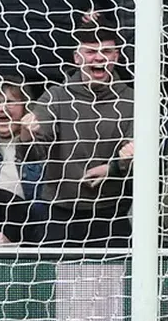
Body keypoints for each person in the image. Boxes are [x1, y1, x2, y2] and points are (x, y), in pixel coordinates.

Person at [20, 27, 135, 247]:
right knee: (65, 282)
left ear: (117, 56)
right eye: (91, 51)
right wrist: (26, 133)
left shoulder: (133, 99)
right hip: (59, 216)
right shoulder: (56, 96)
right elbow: (32, 155)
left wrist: (113, 168)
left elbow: (142, 154)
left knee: (111, 282)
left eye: (107, 51)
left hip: (113, 215)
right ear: (77, 57)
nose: (99, 57)